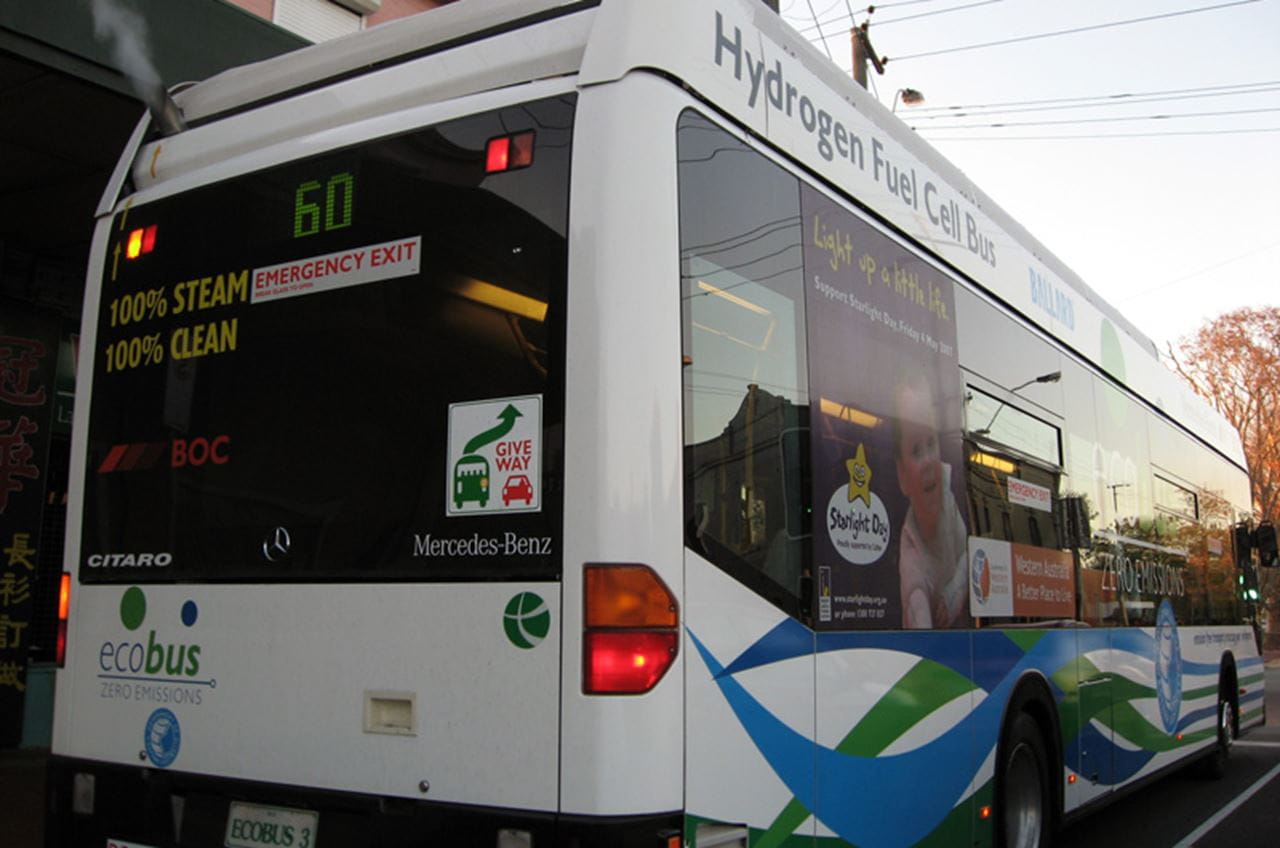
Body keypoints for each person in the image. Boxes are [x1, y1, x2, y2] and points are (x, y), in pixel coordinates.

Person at [893, 373, 968, 628]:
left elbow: (968, 556)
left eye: (931, 443)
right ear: (902, 477)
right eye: (915, 450)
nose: (928, 461)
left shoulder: (948, 499)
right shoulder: (912, 562)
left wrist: (952, 593)